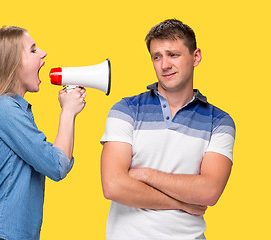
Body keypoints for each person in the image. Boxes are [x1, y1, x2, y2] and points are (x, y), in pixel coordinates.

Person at [100, 19, 235, 239]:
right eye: (157, 56)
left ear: (196, 56)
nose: (164, 65)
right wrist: (183, 202)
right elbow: (114, 186)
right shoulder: (126, 109)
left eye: (173, 54)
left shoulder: (219, 122)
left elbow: (209, 191)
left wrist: (144, 174)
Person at [0, 26, 86, 240]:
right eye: (33, 50)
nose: (43, 53)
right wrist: (68, 112)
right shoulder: (4, 108)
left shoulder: (8, 109)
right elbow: (57, 165)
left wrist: (69, 112)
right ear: (13, 64)